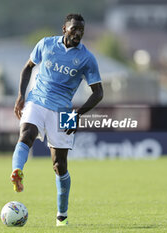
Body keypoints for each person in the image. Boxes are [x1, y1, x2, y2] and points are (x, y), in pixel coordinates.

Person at [10, 13, 103, 227]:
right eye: (74, 29)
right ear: (64, 29)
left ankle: (62, 216)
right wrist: (21, 96)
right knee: (27, 134)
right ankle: (17, 171)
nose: (78, 33)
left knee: (59, 165)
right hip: (37, 100)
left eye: (81, 30)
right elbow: (27, 68)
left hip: (63, 111)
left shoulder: (87, 58)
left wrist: (76, 115)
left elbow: (98, 93)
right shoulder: (46, 44)